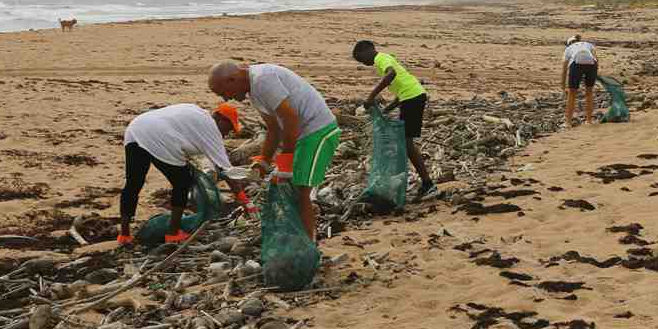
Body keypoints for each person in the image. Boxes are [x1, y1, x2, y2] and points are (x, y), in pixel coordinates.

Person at [208, 61, 340, 241]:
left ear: (232, 79)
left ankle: (308, 243)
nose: (225, 99)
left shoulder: (263, 80)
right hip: (304, 135)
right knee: (290, 185)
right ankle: (299, 236)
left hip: (318, 131)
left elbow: (290, 120)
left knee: (302, 189)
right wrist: (264, 160)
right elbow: (274, 129)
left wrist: (285, 162)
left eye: (223, 93)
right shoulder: (254, 92)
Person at [119, 102, 255, 245]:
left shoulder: (195, 110)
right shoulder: (211, 128)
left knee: (133, 183)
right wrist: (244, 200)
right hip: (158, 135)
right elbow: (226, 170)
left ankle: (124, 235)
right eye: (229, 127)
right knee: (182, 182)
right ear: (219, 118)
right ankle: (173, 233)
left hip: (136, 128)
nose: (228, 133)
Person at [352, 41, 438, 201]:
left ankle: (428, 184)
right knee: (406, 142)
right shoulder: (384, 61)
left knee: (406, 142)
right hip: (412, 97)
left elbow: (391, 74)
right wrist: (387, 109)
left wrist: (371, 96)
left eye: (361, 58)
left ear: (367, 50)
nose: (363, 63)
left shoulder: (381, 59)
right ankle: (423, 183)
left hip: (413, 98)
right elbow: (402, 89)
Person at [562, 35, 599, 127]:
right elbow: (596, 59)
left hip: (576, 64)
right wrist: (595, 72)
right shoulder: (588, 44)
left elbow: (564, 69)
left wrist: (563, 85)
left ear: (569, 43)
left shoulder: (568, 49)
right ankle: (589, 121)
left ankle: (568, 123)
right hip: (592, 65)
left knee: (572, 94)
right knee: (589, 92)